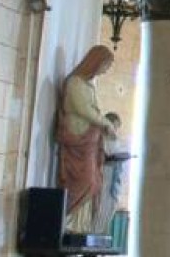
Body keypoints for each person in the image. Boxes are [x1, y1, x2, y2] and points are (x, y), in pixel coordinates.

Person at [56, 46, 118, 233]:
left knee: (96, 182)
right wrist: (106, 123)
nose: (105, 70)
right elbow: (84, 109)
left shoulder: (88, 86)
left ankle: (80, 225)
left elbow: (92, 110)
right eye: (105, 65)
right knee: (86, 180)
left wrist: (104, 125)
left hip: (89, 141)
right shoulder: (75, 83)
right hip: (78, 138)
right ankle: (68, 222)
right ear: (95, 62)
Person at [95, 112, 132, 233]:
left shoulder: (115, 140)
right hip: (105, 173)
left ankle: (101, 230)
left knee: (111, 203)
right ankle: (96, 229)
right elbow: (102, 155)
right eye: (114, 126)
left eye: (117, 127)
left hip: (114, 175)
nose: (115, 130)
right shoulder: (100, 138)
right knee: (103, 203)